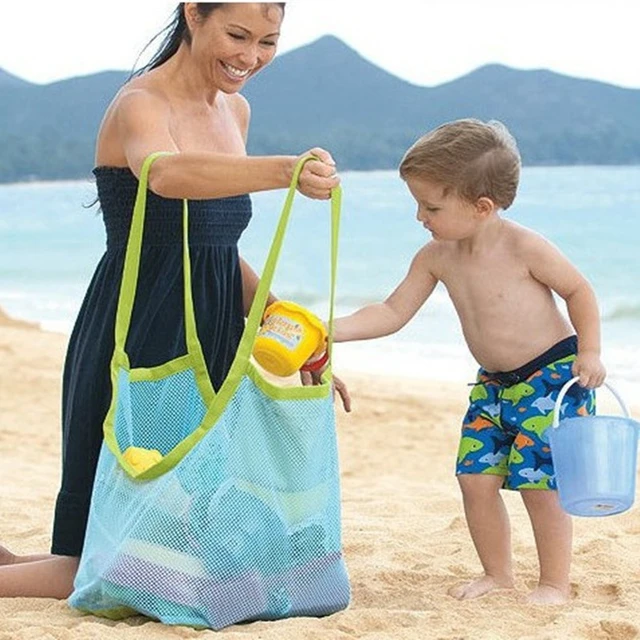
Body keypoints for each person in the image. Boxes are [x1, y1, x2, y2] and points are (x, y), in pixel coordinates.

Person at [0, 2, 350, 599]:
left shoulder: (235, 110)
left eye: (268, 42)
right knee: (103, 558)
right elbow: (165, 174)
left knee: (166, 534)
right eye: (237, 35)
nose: (251, 57)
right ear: (194, 15)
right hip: (140, 326)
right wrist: (286, 170)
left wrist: (290, 328)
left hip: (212, 329)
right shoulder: (142, 103)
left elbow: (216, 245)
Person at [331, 118, 606, 605]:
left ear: (482, 207)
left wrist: (591, 351)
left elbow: (579, 290)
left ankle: (554, 584)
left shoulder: (524, 247)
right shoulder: (437, 255)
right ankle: (498, 574)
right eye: (418, 203)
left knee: (540, 487)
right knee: (474, 480)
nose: (420, 216)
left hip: (552, 378)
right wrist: (330, 330)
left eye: (431, 206)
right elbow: (392, 311)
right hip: (493, 387)